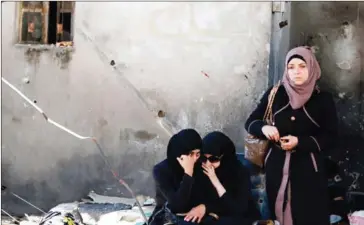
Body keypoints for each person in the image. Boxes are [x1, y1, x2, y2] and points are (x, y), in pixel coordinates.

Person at [245, 46, 338, 225]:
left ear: (312, 68)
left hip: (308, 171)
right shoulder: (276, 93)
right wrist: (264, 129)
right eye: (291, 67)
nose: (296, 72)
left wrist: (300, 142)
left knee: (307, 215)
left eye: (302, 66)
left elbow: (331, 137)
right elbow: (251, 121)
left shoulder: (322, 99)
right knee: (276, 214)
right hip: (276, 168)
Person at [184, 131, 260, 225]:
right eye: (204, 158)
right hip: (212, 215)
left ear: (225, 157)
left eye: (213, 159)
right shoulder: (200, 168)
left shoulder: (240, 173)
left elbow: (238, 209)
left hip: (238, 218)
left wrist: (215, 181)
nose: (208, 164)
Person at [148, 129, 203, 225]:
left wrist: (204, 206)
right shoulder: (161, 170)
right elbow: (177, 206)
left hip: (195, 215)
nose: (194, 159)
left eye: (197, 154)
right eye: (190, 154)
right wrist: (188, 173)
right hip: (168, 216)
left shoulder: (200, 165)